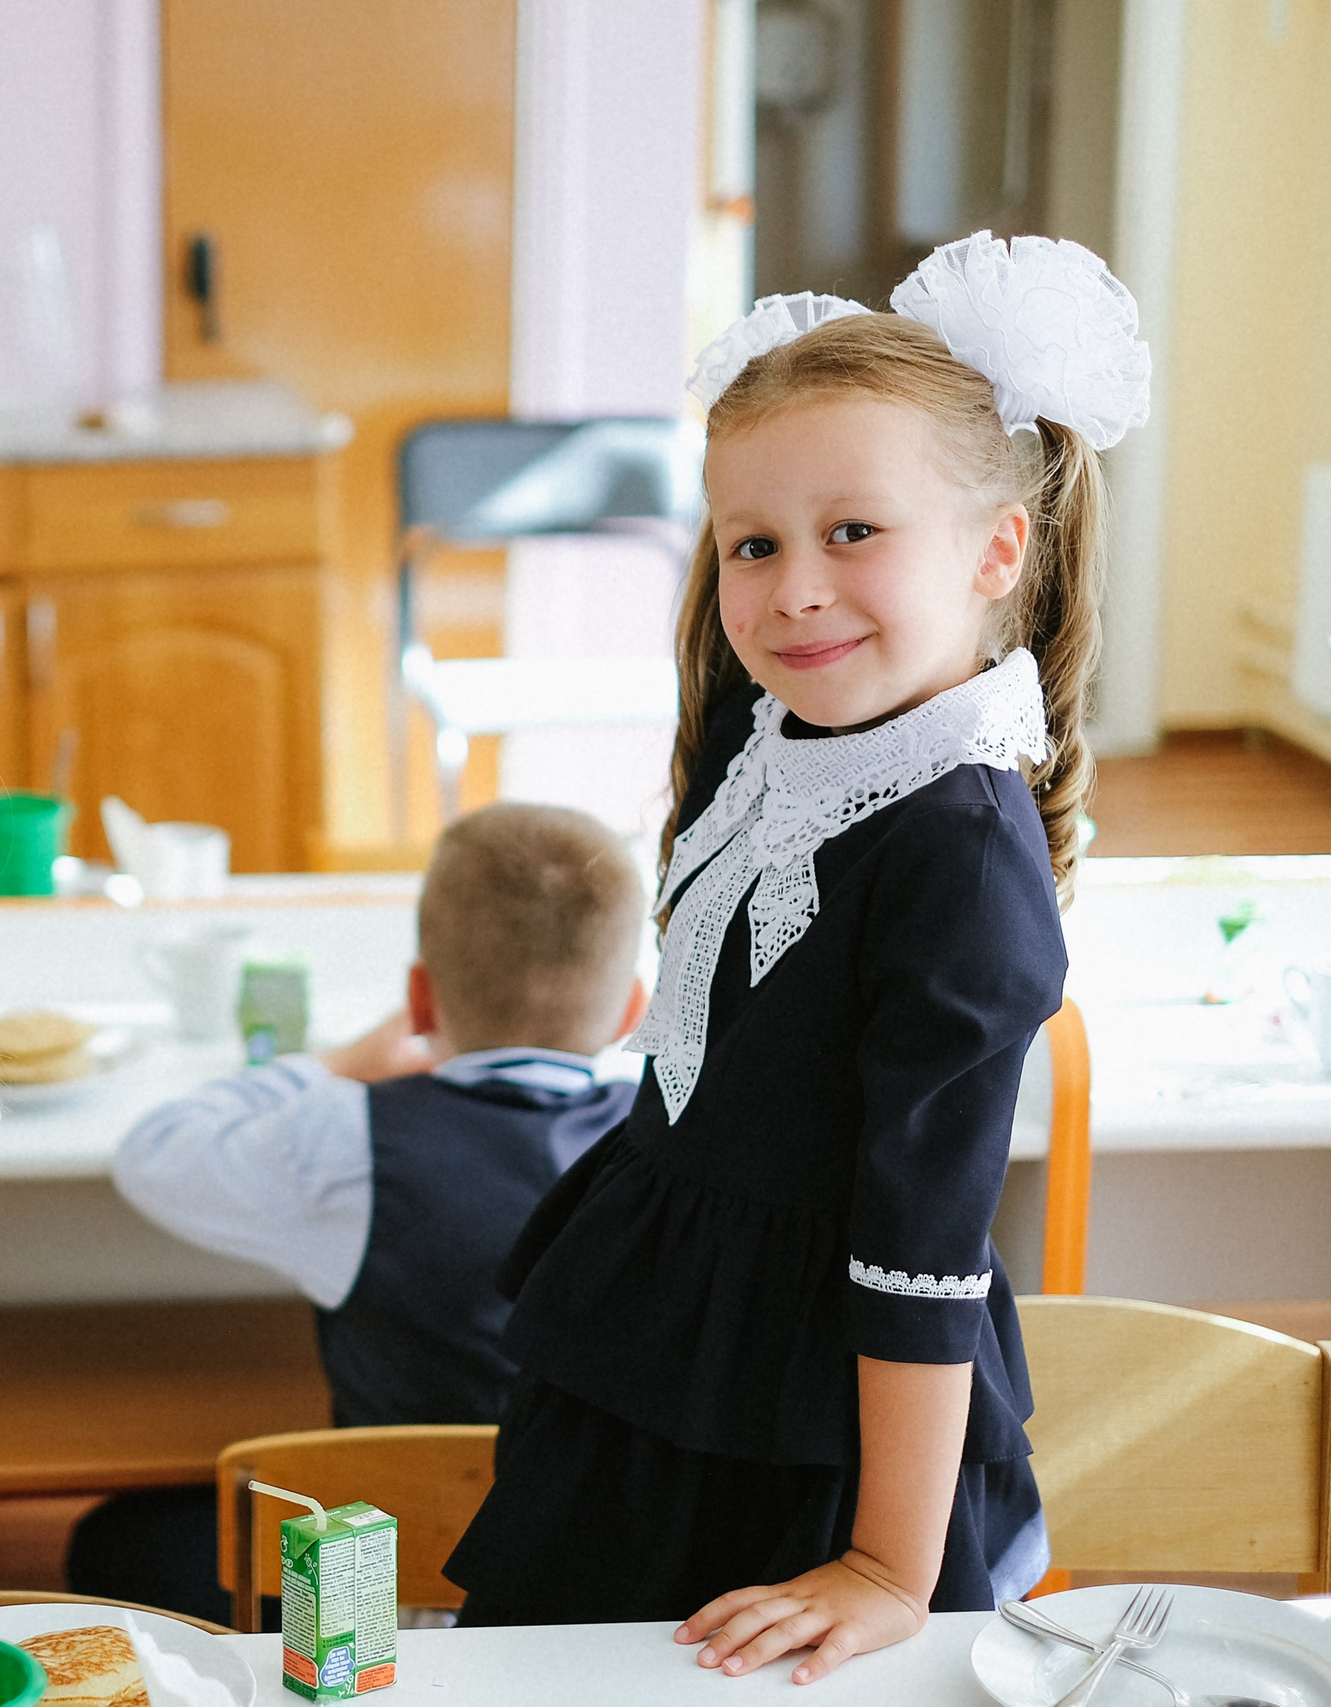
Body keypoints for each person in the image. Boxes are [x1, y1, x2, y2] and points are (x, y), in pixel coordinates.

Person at [444, 233, 1151, 1684]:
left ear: (995, 547)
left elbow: (925, 1237)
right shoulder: (775, 731)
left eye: (854, 532)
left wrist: (889, 1560)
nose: (793, 589)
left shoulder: (957, 847)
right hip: (656, 1339)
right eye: (753, 543)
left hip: (818, 1423)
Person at [74, 802, 650, 1623]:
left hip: (373, 1609)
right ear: (632, 1010)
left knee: (115, 1540)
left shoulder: (349, 1137)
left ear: (419, 999)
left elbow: (155, 1149)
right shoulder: (661, 1148)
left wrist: (337, 1064)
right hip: (590, 1590)